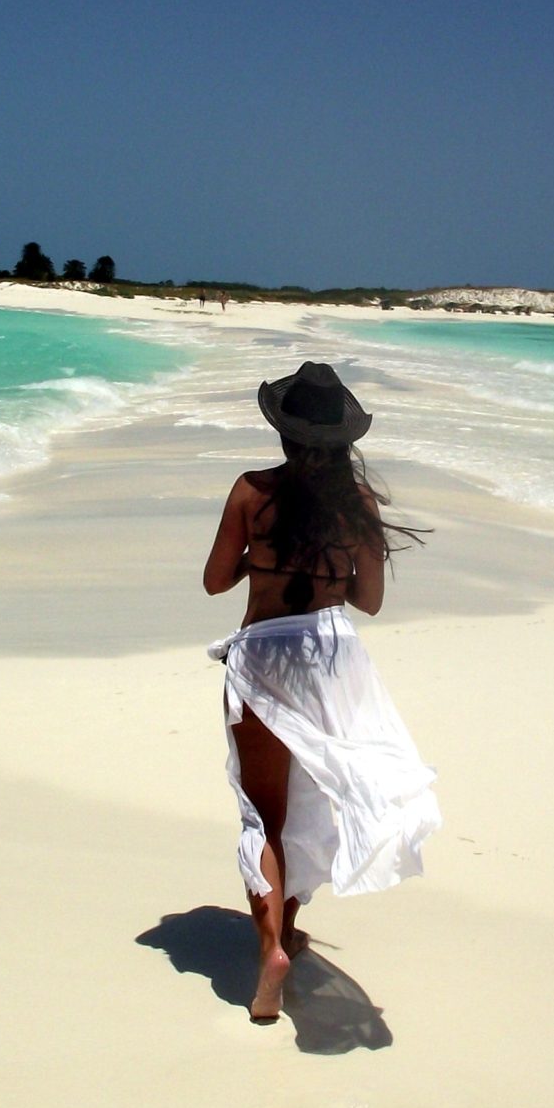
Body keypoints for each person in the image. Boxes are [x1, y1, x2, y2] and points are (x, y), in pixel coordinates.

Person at [201, 362, 440, 1023]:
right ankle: (290, 927)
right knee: (310, 806)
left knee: (264, 812)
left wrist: (263, 557)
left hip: (263, 658)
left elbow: (216, 582)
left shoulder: (251, 492)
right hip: (332, 660)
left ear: (283, 432)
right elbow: (368, 600)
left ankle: (273, 948)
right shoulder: (357, 504)